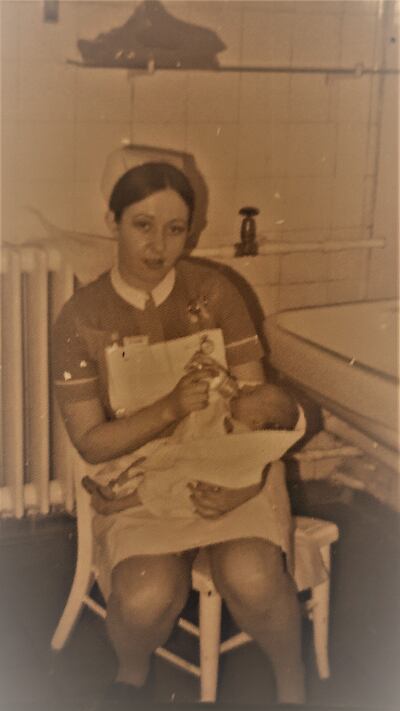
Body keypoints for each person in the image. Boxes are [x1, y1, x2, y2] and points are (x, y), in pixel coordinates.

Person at [52, 156, 307, 707]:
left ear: (190, 231)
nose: (159, 246)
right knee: (146, 597)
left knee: (255, 579)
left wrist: (248, 482)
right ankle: (133, 672)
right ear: (112, 221)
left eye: (175, 229)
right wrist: (169, 408)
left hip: (234, 472)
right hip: (141, 484)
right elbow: (92, 442)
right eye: (142, 225)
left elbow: (257, 413)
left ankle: (295, 687)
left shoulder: (216, 294)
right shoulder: (82, 317)